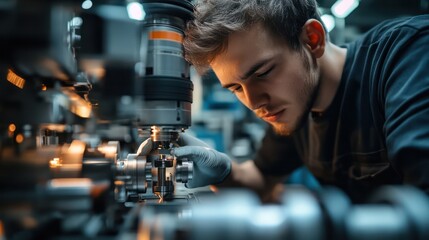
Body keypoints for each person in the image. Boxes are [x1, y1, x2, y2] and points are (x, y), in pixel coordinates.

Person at [143, 0, 429, 203]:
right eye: (236, 88)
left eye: (263, 73)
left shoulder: (407, 55)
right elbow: (261, 181)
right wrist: (222, 170)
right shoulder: (294, 109)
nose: (254, 101)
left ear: (312, 39)